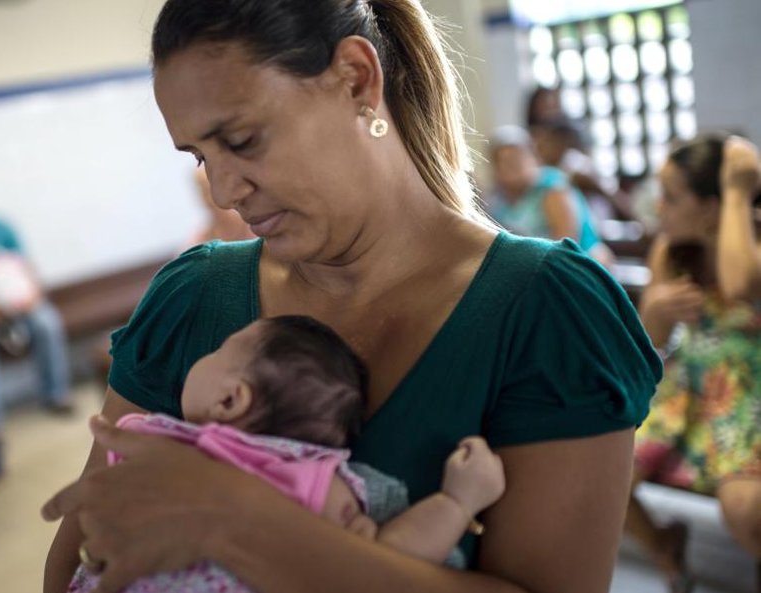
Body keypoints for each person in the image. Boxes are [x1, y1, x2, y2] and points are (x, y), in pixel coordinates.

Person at [42, 2, 661, 593]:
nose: (225, 191)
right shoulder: (194, 297)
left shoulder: (544, 309)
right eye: (201, 157)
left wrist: (235, 521)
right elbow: (81, 551)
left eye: (243, 139)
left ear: (357, 79)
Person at [69, 316, 505, 593]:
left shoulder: (159, 445)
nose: (205, 356)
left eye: (219, 352)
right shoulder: (320, 483)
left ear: (229, 400)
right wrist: (456, 502)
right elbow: (393, 556)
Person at [626, 135, 761, 593]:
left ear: (710, 207)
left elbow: (742, 284)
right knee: (605, 471)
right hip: (690, 400)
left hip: (750, 408)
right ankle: (664, 544)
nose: (657, 208)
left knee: (744, 506)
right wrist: (654, 315)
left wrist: (740, 189)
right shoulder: (672, 252)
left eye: (671, 196)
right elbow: (652, 346)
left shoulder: (751, 247)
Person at [486, 125, 615, 267]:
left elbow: (566, 243)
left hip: (576, 263)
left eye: (518, 159)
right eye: (506, 162)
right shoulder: (498, 199)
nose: (514, 167)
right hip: (533, 266)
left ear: (532, 157)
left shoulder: (552, 186)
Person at [0, 216, 73, 414]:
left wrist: (32, 296)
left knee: (47, 323)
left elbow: (27, 267)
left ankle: (56, 395)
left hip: (23, 304)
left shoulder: (1, 228)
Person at [185, 166, 255, 248]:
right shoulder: (198, 242)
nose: (210, 197)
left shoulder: (254, 225)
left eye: (212, 187)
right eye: (204, 191)